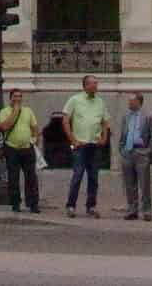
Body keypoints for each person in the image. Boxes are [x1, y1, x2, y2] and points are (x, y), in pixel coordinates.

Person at [63, 75, 112, 216]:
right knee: (77, 175)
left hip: (94, 145)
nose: (96, 86)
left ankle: (91, 206)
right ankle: (70, 206)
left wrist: (104, 137)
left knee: (94, 178)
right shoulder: (75, 100)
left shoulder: (100, 102)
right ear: (85, 86)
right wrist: (72, 140)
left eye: (97, 83)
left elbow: (105, 121)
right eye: (93, 83)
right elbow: (65, 120)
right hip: (80, 145)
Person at [118, 91, 152, 221]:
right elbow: (123, 134)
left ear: (139, 102)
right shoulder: (126, 116)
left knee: (144, 183)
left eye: (132, 101)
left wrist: (148, 150)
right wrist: (122, 148)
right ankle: (132, 209)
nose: (129, 103)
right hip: (127, 152)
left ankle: (146, 210)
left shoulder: (149, 116)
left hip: (141, 152)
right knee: (129, 184)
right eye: (129, 101)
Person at [0, 88, 42, 214]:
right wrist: (15, 111)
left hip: (27, 148)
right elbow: (4, 126)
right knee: (13, 177)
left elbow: (34, 127)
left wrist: (35, 140)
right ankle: (15, 203)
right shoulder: (4, 111)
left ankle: (33, 204)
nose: (17, 99)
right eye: (15, 96)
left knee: (31, 177)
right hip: (11, 148)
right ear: (10, 98)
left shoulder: (28, 111)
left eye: (19, 96)